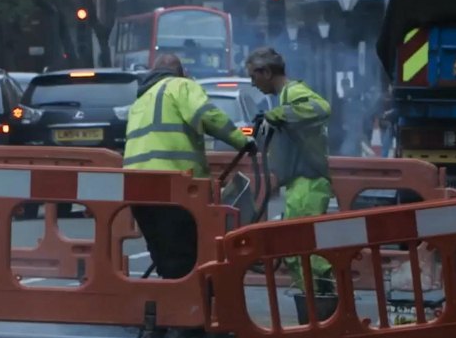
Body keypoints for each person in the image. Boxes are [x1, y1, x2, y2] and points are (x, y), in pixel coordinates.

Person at [124, 53, 256, 279]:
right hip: (173, 184)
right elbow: (208, 116)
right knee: (183, 253)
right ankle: (188, 306)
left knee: (162, 251)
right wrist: (243, 141)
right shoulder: (181, 86)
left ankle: (165, 303)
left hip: (135, 187)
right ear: (181, 72)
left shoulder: (140, 99)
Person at [244, 47, 334, 294]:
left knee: (301, 251)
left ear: (266, 71)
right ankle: (319, 304)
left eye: (254, 76)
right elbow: (269, 131)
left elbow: (322, 108)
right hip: (300, 184)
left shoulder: (293, 92)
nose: (253, 83)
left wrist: (278, 114)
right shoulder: (281, 99)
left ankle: (322, 305)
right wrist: (242, 132)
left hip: (309, 181)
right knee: (300, 251)